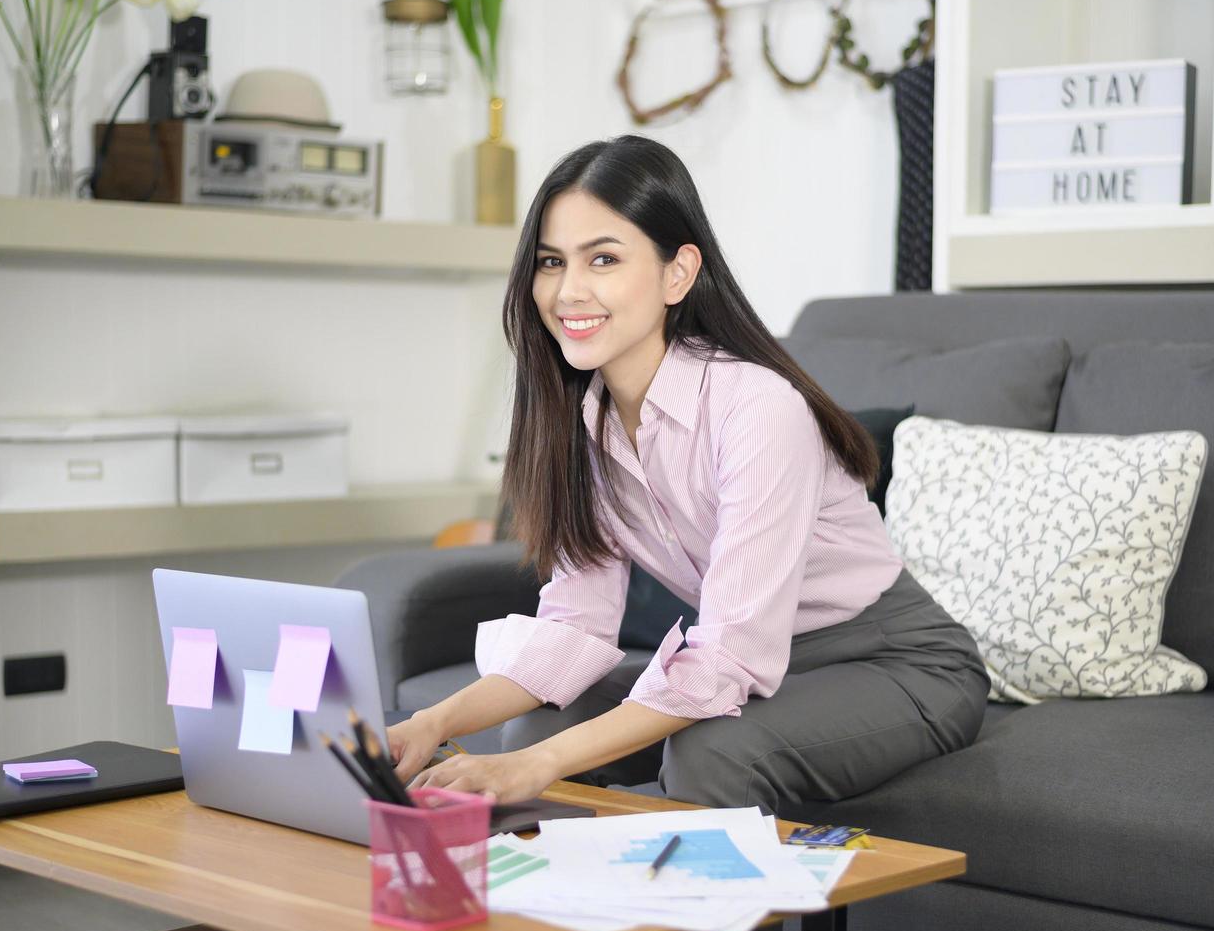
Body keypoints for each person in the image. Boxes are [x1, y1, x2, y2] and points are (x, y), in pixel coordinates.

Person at [387, 134, 989, 819]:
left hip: (894, 660)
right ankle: (560, 920)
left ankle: (696, 925)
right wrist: (434, 723)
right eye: (551, 262)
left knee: (711, 753)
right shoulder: (580, 424)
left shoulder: (756, 409)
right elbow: (573, 631)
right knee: (538, 725)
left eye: (603, 259)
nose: (568, 290)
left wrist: (537, 768)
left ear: (678, 274)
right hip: (759, 659)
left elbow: (729, 653)